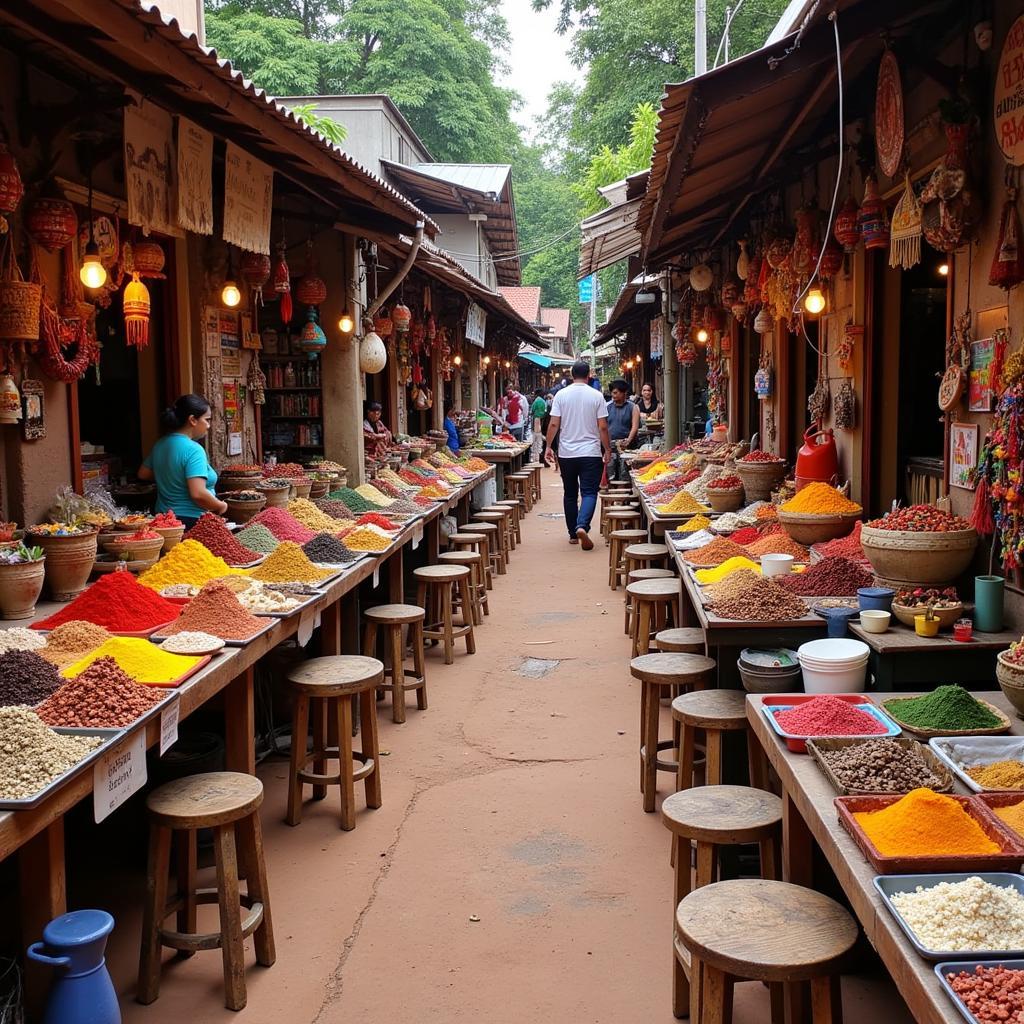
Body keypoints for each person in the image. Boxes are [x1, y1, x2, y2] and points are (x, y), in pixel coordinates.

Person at [545, 360, 610, 550]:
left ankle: (573, 534)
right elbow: (603, 427)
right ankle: (582, 525)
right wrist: (607, 449)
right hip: (590, 452)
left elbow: (554, 424)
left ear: (572, 375)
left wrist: (548, 446)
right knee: (589, 492)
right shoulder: (596, 396)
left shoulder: (561, 395)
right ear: (589, 375)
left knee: (570, 493)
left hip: (567, 453)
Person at [137, 394, 227, 528]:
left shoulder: (161, 444)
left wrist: (173, 476)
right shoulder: (194, 450)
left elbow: (143, 473)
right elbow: (198, 494)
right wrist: (221, 506)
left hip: (162, 519)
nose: (208, 425)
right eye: (206, 420)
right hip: (191, 521)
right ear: (193, 420)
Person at [606, 379, 640, 483]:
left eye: (616, 392)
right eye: (612, 392)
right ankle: (611, 497)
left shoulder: (633, 407)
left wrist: (628, 440)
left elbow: (635, 426)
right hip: (610, 445)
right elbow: (604, 426)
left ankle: (623, 497)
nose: (613, 395)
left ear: (624, 393)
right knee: (610, 474)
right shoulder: (607, 407)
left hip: (627, 446)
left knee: (625, 474)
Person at [529, 387, 547, 463]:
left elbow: (532, 410)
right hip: (543, 420)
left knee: (535, 439)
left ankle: (535, 457)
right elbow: (546, 411)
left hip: (536, 420)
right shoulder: (543, 401)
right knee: (540, 439)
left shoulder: (536, 401)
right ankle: (539, 455)